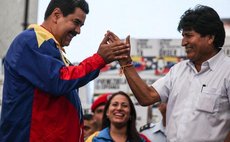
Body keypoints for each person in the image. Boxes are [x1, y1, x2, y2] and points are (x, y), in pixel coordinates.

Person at [0, 0, 130, 141]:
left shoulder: (49, 49)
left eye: (81, 25)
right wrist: (99, 59)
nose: (78, 31)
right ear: (56, 15)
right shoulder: (31, 40)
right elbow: (59, 80)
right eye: (76, 22)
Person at [108, 5, 230, 142]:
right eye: (183, 36)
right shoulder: (177, 71)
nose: (183, 42)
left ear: (210, 37)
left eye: (189, 36)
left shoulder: (227, 72)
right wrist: (126, 62)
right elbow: (146, 97)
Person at [86, 91, 150, 142]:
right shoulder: (93, 140)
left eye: (124, 105)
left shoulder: (142, 140)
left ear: (131, 113)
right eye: (115, 104)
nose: (119, 108)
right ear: (107, 112)